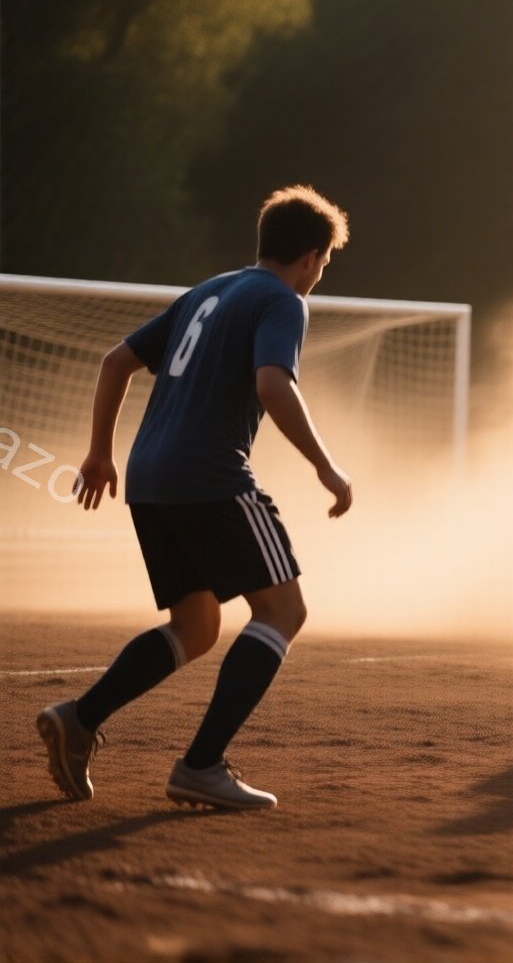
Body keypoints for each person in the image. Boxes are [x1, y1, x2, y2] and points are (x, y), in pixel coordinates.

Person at [37, 186, 355, 811]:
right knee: (283, 611)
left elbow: (115, 362)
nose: (319, 274)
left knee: (198, 625)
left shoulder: (208, 291)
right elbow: (273, 385)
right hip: (209, 475)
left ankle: (79, 718)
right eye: (324, 262)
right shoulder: (284, 300)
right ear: (311, 257)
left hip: (149, 478)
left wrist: (100, 453)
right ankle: (201, 766)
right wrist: (326, 466)